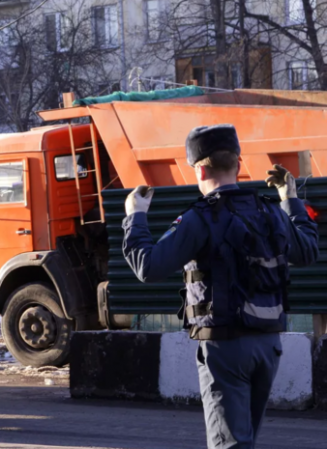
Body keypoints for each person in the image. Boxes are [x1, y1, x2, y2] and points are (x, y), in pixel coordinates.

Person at [121, 124, 319, 449]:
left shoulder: (199, 218)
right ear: (239, 164)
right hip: (269, 345)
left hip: (225, 348)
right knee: (245, 441)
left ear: (199, 169)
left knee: (229, 445)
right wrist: (291, 199)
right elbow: (308, 250)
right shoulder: (271, 211)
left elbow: (149, 266)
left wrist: (135, 217)